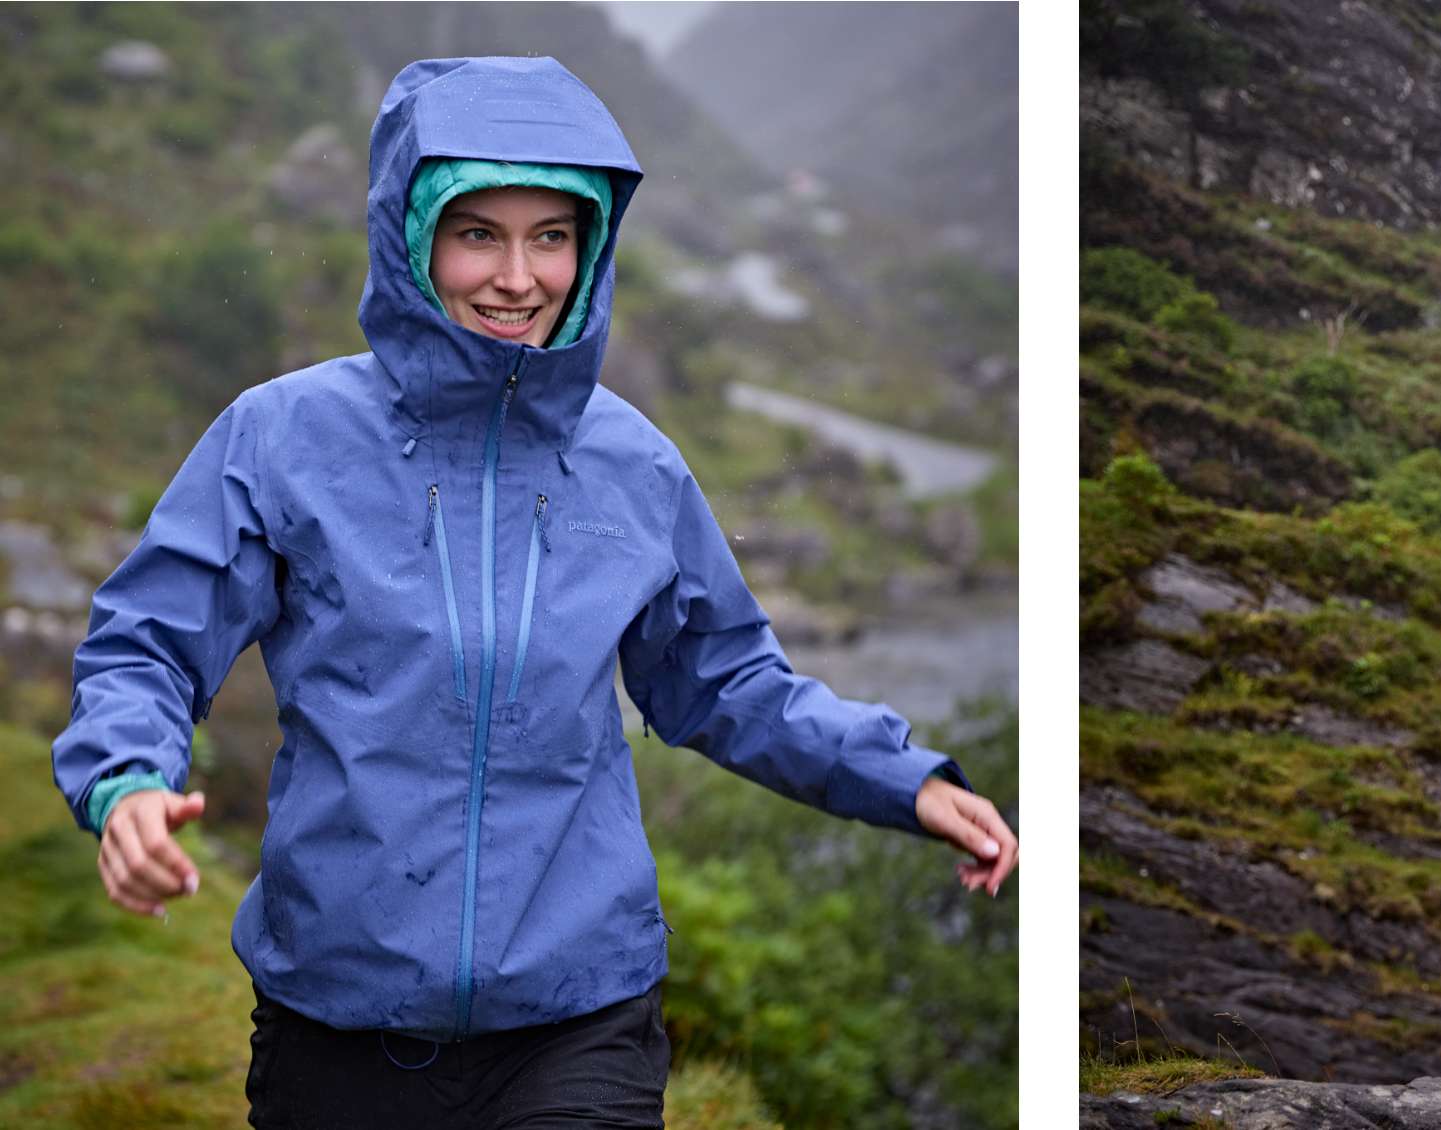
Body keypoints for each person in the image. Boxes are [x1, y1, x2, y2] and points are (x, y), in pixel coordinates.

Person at [46, 56, 1017, 1128]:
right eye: (479, 233)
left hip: (579, 1016)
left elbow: (727, 681)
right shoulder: (281, 438)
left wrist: (904, 776)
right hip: (336, 1015)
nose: (518, 276)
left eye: (552, 235)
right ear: (411, 238)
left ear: (591, 246)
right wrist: (128, 780)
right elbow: (149, 641)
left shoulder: (635, 466)